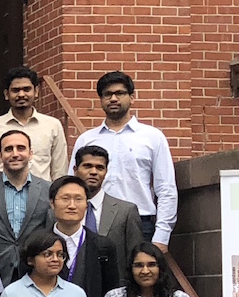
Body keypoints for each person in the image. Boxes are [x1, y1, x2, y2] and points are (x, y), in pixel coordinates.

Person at [75, 71, 176, 246]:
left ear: (132, 98)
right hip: (93, 220)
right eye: (107, 94)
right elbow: (74, 184)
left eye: (120, 93)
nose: (113, 99)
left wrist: (162, 234)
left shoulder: (152, 137)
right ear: (101, 100)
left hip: (140, 221)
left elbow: (166, 188)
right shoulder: (86, 139)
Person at [0, 128, 51, 287]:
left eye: (21, 148)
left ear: (31, 154)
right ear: (0, 156)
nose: (15, 154)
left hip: (36, 274)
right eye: (8, 149)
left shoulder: (48, 190)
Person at [0, 66, 67, 182]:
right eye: (16, 90)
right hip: (1, 191)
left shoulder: (52, 126)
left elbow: (59, 173)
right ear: (6, 94)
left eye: (26, 89)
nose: (21, 94)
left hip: (42, 192)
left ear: (36, 92)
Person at [72, 145, 147, 258]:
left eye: (100, 168)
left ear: (106, 172)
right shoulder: (59, 210)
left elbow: (136, 256)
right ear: (75, 170)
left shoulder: (126, 212)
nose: (94, 172)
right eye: (87, 166)